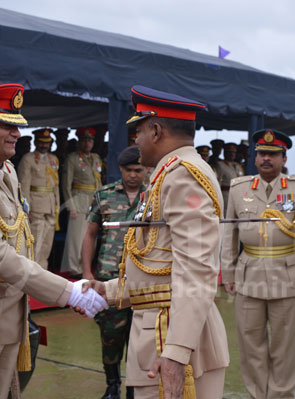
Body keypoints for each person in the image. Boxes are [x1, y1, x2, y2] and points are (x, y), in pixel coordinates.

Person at [0, 83, 108, 399]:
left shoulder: (5, 169)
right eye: (5, 125)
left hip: (6, 315)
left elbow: (20, 240)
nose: (15, 133)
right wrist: (66, 291)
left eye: (16, 126)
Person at [85, 85, 230, 399]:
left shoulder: (183, 175)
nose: (135, 140)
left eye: (138, 130)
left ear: (156, 130)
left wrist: (177, 352)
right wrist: (109, 290)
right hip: (157, 330)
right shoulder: (167, 174)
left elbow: (197, 269)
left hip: (169, 336)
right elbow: (156, 264)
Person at [221, 128, 295, 399]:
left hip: (288, 277)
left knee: (285, 347)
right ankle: (257, 395)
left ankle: (280, 396)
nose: (266, 159)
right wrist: (228, 272)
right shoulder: (239, 188)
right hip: (248, 275)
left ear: (283, 159)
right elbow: (229, 232)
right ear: (255, 157)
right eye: (262, 154)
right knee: (250, 345)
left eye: (273, 155)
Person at [81, 146, 147, 399]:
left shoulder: (153, 197)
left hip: (142, 278)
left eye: (138, 170)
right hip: (109, 278)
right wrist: (87, 272)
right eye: (128, 170)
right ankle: (112, 385)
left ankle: (134, 387)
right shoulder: (104, 195)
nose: (133, 175)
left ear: (145, 170)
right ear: (121, 169)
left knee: (139, 339)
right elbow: (90, 234)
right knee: (110, 336)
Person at [60, 127, 103, 277]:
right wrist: (70, 205)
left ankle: (85, 266)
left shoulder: (95, 158)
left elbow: (98, 181)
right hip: (78, 199)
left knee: (90, 236)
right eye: (84, 140)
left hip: (93, 200)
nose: (87, 143)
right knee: (76, 238)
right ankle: (74, 268)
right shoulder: (72, 158)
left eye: (90, 140)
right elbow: (66, 184)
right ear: (79, 142)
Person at [17, 128, 60, 269]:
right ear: (36, 142)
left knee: (47, 244)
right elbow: (24, 186)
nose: (44, 145)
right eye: (41, 142)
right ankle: (32, 274)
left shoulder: (53, 159)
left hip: (50, 206)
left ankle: (43, 272)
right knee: (35, 243)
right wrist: (26, 209)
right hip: (36, 207)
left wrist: (57, 205)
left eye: (47, 143)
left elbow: (56, 185)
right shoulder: (28, 159)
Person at [215, 142, 244, 213]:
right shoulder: (220, 165)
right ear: (225, 153)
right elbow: (218, 183)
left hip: (238, 194)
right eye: (229, 152)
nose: (232, 154)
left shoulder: (238, 166)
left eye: (233, 152)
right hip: (226, 195)